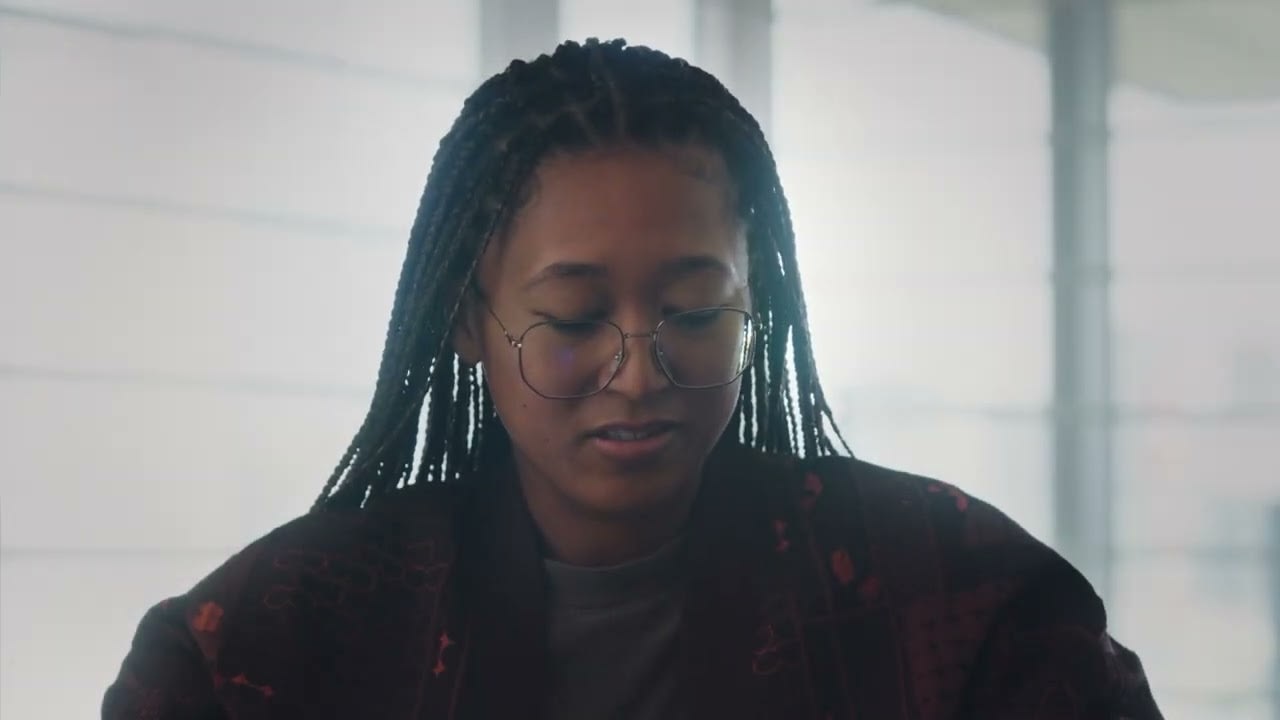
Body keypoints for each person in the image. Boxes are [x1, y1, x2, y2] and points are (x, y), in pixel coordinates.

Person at [102, 39, 1163, 719]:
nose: (639, 370)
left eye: (695, 312)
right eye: (573, 319)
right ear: (468, 322)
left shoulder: (965, 601)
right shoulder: (266, 644)